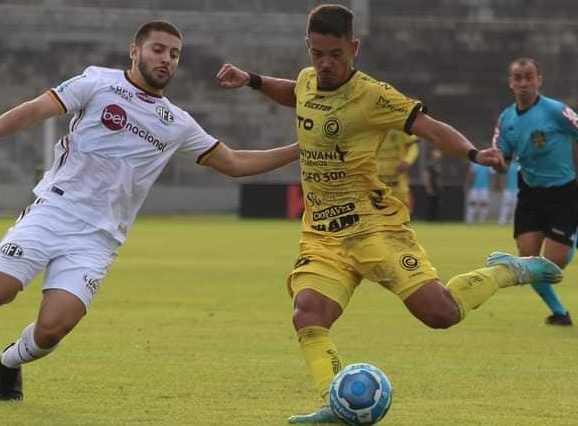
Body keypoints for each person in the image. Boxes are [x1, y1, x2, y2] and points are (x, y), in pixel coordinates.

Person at [216, 5, 563, 423]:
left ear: (354, 49)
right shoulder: (309, 81)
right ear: (309, 47)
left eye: (336, 55)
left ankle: (508, 271)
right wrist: (253, 81)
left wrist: (474, 153)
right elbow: (293, 91)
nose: (325, 64)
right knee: (308, 312)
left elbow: (430, 127)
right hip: (324, 235)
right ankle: (334, 402)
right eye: (317, 53)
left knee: (441, 314)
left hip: (376, 228)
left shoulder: (374, 96)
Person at [0, 20, 299, 401]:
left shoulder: (177, 122)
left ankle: (10, 361)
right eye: (158, 50)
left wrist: (300, 148)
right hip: (53, 210)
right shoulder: (97, 82)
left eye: (174, 54)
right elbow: (37, 109)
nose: (166, 60)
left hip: (99, 238)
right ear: (135, 51)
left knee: (51, 330)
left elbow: (235, 162)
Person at [492, 57, 578, 326]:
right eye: (518, 78)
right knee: (529, 263)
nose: (523, 83)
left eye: (529, 77)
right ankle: (560, 313)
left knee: (554, 265)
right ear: (510, 83)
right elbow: (503, 160)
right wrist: (496, 163)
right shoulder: (506, 120)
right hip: (530, 193)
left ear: (539, 80)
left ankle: (571, 239)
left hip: (563, 192)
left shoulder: (556, 111)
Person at [376, 129, 419, 211]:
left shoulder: (400, 125)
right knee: (377, 207)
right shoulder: (372, 126)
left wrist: (407, 161)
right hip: (377, 176)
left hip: (397, 176)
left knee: (402, 205)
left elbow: (414, 145)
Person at [422, 148, 442, 221]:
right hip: (432, 188)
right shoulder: (429, 165)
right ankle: (429, 219)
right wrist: (428, 188)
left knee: (436, 204)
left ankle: (435, 219)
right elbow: (426, 176)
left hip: (437, 188)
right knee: (430, 204)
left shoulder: (438, 165)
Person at [497, 160, 520, 226]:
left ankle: (511, 222)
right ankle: (502, 221)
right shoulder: (509, 166)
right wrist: (502, 187)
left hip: (516, 189)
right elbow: (504, 177)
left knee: (514, 207)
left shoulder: (519, 166)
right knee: (506, 205)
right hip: (508, 189)